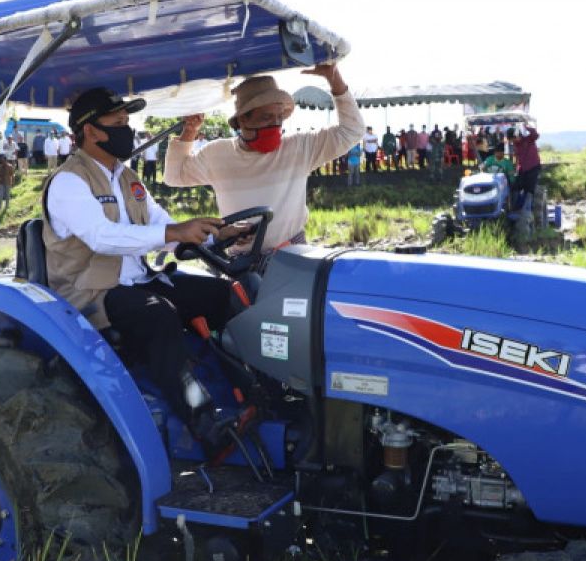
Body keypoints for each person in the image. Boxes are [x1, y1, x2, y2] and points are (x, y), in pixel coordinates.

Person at [43, 87, 247, 457]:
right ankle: (206, 427)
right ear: (91, 131)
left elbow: (162, 227)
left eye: (127, 121)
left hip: (137, 281)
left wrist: (213, 234)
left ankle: (251, 394)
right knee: (158, 315)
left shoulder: (127, 178)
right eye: (118, 122)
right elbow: (101, 237)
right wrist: (173, 233)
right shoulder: (68, 182)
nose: (127, 128)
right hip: (90, 293)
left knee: (223, 294)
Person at [164, 64, 364, 257]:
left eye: (279, 117)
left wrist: (334, 78)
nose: (275, 124)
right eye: (266, 117)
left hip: (294, 257)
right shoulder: (217, 153)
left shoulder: (299, 147)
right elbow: (175, 176)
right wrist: (189, 131)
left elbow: (352, 131)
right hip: (239, 263)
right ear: (243, 120)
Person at [511, 123, 542, 209]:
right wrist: (515, 169)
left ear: (518, 136)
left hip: (533, 167)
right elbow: (517, 158)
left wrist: (526, 126)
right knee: (515, 186)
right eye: (511, 139)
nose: (513, 141)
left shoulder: (529, 139)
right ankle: (514, 207)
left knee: (530, 188)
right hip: (523, 169)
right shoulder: (515, 146)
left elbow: (535, 135)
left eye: (514, 138)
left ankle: (528, 209)